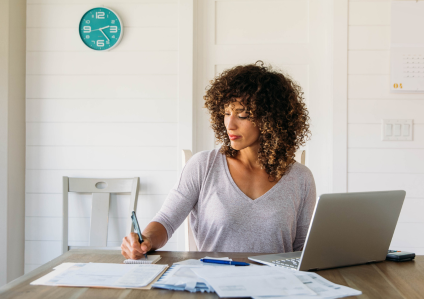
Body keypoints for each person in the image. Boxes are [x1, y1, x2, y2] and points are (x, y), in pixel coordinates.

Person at [122, 61, 315, 259]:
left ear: (271, 119)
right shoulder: (203, 165)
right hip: (213, 284)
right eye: (226, 113)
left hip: (277, 285)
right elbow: (166, 221)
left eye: (243, 115)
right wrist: (145, 240)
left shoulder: (300, 177)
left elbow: (302, 249)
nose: (230, 124)